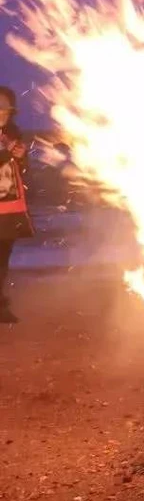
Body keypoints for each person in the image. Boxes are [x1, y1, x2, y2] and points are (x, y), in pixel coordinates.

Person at [0, 86, 33, 324]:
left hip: (7, 210)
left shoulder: (13, 133)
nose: (2, 114)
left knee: (1, 259)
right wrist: (5, 153)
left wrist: (21, 157)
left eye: (6, 110)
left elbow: (20, 171)